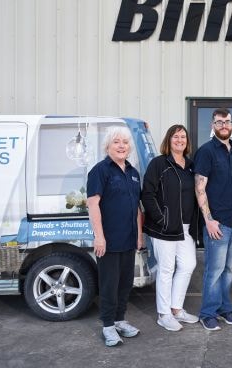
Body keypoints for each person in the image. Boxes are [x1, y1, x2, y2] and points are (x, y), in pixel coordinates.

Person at [86, 126, 143, 347]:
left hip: (129, 240)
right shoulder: (100, 171)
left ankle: (120, 320)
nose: (121, 146)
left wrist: (139, 235)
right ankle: (108, 326)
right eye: (116, 142)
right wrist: (99, 237)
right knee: (109, 285)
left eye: (125, 142)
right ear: (108, 146)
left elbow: (137, 208)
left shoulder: (133, 173)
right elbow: (93, 204)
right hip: (108, 241)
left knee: (125, 283)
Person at [141, 124, 200, 332]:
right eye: (176, 136)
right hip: (164, 228)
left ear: (187, 142)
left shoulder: (191, 165)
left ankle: (176, 309)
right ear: (169, 140)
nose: (179, 140)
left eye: (183, 137)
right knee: (166, 270)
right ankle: (164, 314)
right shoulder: (159, 163)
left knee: (188, 265)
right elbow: (147, 194)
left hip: (185, 228)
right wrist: (161, 218)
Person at [194, 107, 232, 331]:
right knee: (214, 270)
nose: (224, 125)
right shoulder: (206, 152)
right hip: (218, 223)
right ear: (213, 126)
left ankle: (225, 308)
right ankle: (208, 312)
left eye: (227, 122)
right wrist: (208, 219)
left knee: (228, 269)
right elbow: (200, 188)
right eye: (219, 122)